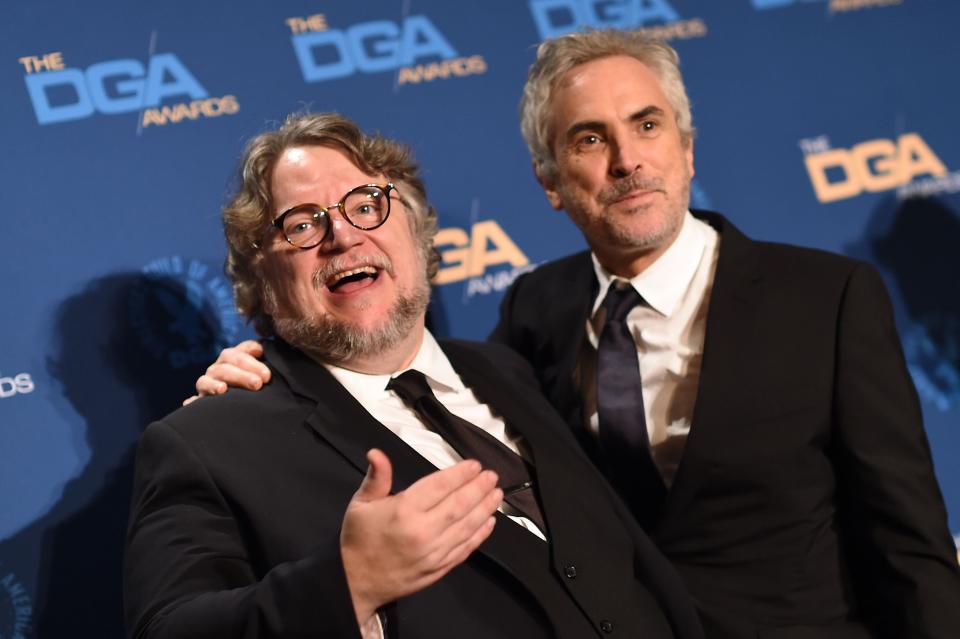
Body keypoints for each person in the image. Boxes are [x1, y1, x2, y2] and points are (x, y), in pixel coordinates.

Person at [194, 30, 960, 639]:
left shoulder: (825, 296)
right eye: (590, 140)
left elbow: (908, 540)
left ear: (687, 147)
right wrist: (263, 367)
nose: (627, 161)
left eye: (647, 125)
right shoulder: (535, 309)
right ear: (550, 181)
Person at [123, 112, 705, 639]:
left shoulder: (507, 367)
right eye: (301, 225)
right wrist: (349, 583)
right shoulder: (209, 444)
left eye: (367, 203)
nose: (344, 236)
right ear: (263, 278)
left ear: (416, 229)